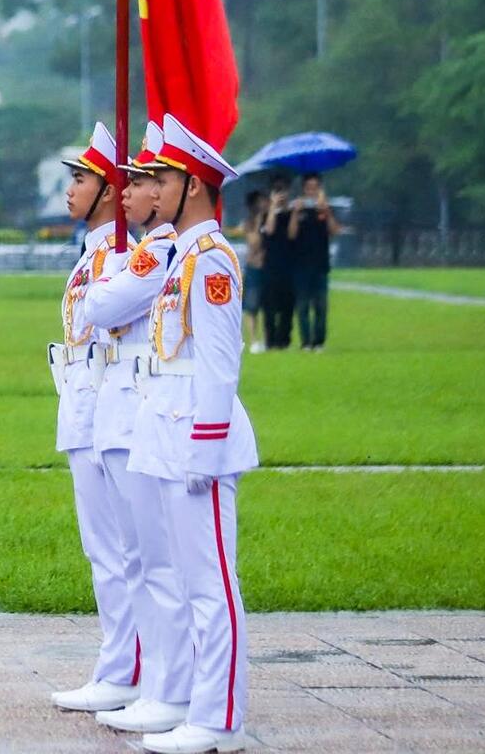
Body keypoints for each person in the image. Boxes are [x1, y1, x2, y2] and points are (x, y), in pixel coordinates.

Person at [127, 114, 257, 754]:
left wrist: (205, 446)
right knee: (183, 577)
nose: (151, 186)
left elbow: (220, 362)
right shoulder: (182, 254)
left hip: (197, 437)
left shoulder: (212, 260)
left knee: (212, 585)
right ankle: (190, 702)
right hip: (168, 429)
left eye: (162, 176)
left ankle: (221, 718)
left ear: (194, 186)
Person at [85, 123, 193, 737]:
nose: (130, 189)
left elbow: (101, 309)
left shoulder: (160, 249)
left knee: (156, 561)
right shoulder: (148, 248)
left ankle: (167, 686)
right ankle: (151, 681)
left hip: (146, 404)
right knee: (138, 557)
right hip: (127, 405)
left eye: (148, 180)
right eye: (133, 177)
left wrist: (116, 277)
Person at [47, 122, 141, 716]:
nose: (71, 189)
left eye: (81, 179)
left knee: (125, 550)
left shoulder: (122, 252)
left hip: (111, 401)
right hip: (83, 399)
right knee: (102, 548)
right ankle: (121, 664)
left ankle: (127, 669)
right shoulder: (95, 251)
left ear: (108, 190)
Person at [286, 174, 341, 352]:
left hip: (320, 264)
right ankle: (306, 342)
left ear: (320, 189)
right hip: (300, 265)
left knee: (321, 305)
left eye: (315, 187)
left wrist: (326, 211)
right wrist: (295, 212)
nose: (312, 191)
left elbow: (334, 230)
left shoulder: (324, 209)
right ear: (304, 189)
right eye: (309, 187)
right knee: (302, 305)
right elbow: (291, 235)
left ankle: (319, 341)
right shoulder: (298, 208)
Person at [257, 177, 295, 350]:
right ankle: (270, 340)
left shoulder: (291, 214)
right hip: (270, 266)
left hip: (289, 264)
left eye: (283, 191)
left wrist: (292, 211)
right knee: (270, 306)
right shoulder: (266, 215)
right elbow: (269, 230)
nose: (281, 195)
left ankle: (284, 340)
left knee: (287, 305)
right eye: (277, 191)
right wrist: (273, 207)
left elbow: (292, 235)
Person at [240, 191, 267, 355]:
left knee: (268, 305)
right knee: (252, 305)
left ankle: (267, 338)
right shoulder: (249, 223)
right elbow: (254, 244)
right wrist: (258, 222)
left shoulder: (272, 219)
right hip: (254, 268)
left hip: (269, 267)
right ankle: (254, 339)